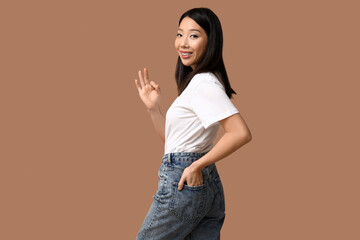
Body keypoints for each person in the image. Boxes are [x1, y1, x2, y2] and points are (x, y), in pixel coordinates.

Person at [134, 7, 252, 240]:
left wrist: (195, 166)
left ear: (211, 42)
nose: (183, 43)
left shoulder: (204, 84)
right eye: (180, 34)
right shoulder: (199, 83)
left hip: (184, 180)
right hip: (197, 181)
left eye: (194, 36)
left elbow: (240, 133)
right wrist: (153, 109)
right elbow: (174, 143)